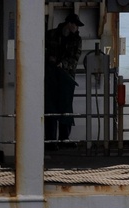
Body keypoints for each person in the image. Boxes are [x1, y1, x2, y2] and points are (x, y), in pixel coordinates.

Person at [44, 12, 84, 144]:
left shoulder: (76, 40)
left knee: (65, 107)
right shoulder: (51, 35)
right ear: (69, 24)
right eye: (75, 25)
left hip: (66, 77)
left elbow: (74, 58)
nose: (76, 28)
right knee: (51, 107)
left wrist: (62, 64)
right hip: (52, 76)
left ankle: (63, 138)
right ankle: (51, 140)